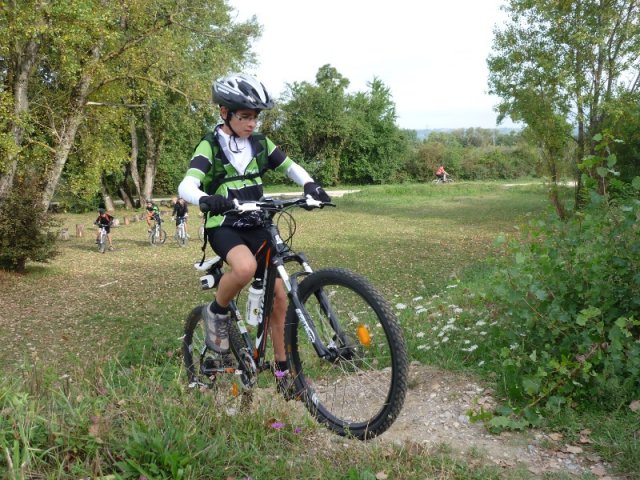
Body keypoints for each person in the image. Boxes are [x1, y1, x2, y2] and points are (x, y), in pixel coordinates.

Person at [178, 73, 331, 395]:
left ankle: (282, 373)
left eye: (255, 117)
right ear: (225, 113)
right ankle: (217, 313)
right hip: (225, 225)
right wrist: (206, 199)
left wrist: (309, 185)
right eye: (245, 116)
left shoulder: (260, 144)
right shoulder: (211, 145)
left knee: (279, 298)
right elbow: (186, 185)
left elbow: (290, 166)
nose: (251, 124)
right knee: (245, 269)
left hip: (259, 222)